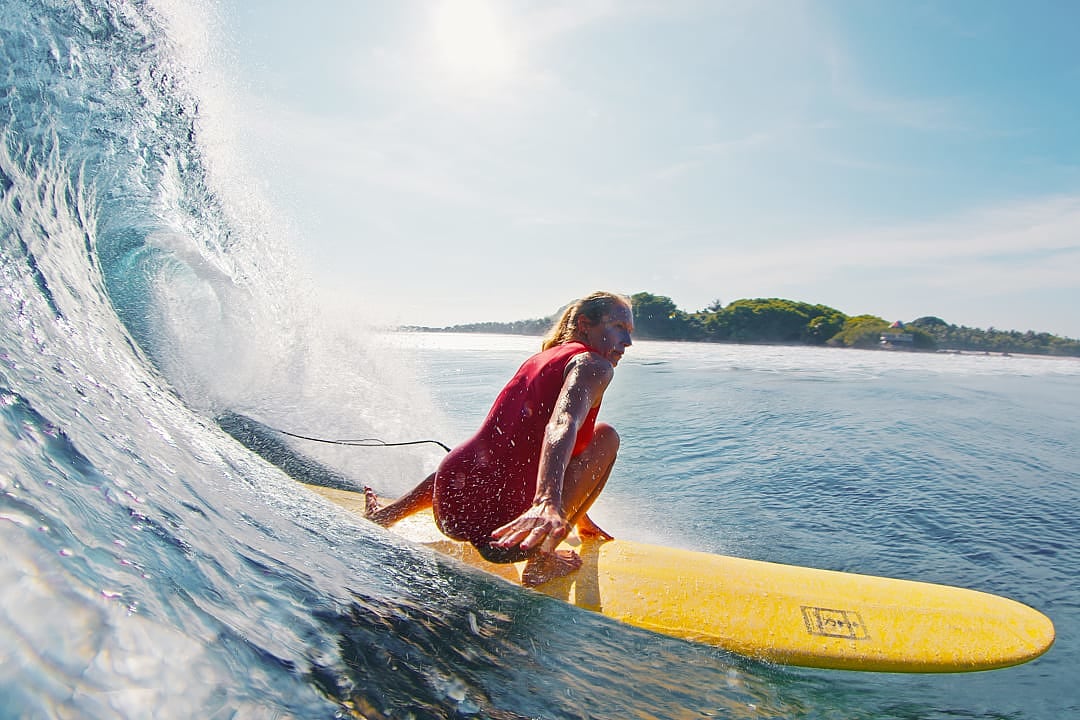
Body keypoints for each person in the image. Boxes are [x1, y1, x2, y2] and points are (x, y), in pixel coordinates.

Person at [365, 291, 634, 586]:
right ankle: (542, 558)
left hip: (451, 509)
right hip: (507, 531)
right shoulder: (594, 365)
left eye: (630, 332)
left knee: (490, 448)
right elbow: (562, 423)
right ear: (585, 325)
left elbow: (525, 447)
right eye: (619, 328)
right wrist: (547, 501)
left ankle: (387, 515)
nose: (628, 342)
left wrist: (578, 512)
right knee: (606, 437)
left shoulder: (540, 359)